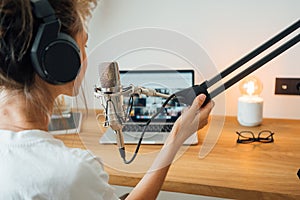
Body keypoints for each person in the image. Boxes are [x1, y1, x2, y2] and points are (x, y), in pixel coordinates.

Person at [0, 0, 214, 199]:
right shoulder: (72, 172)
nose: (85, 56)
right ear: (60, 58)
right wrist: (177, 136)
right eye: (82, 45)